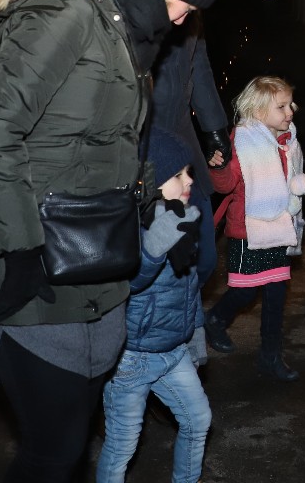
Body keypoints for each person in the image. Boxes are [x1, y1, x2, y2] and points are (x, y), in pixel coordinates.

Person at [0, 0, 223, 482]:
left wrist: (156, 205)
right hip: (33, 261)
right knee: (52, 452)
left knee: (71, 446)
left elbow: (116, 148)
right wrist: (21, 251)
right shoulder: (69, 13)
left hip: (96, 263)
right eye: (179, 4)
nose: (181, 20)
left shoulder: (132, 38)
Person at [94, 0, 231, 288]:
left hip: (178, 136)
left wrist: (214, 127)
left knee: (202, 258)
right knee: (147, 265)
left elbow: (197, 60)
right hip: (137, 142)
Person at [96, 136, 210, 483]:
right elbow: (127, 284)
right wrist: (153, 248)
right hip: (132, 358)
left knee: (198, 421)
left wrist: (196, 335)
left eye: (188, 172)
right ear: (147, 181)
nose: (188, 181)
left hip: (173, 350)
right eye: (177, 175)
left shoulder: (180, 217)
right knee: (122, 445)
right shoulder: (126, 224)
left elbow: (190, 284)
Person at [205, 76, 305, 381]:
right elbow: (225, 185)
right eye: (281, 107)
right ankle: (215, 320)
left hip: (279, 229)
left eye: (290, 105)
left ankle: (270, 357)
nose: (290, 112)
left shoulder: (289, 141)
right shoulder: (242, 141)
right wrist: (218, 166)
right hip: (248, 231)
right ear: (259, 110)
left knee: (276, 296)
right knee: (245, 292)